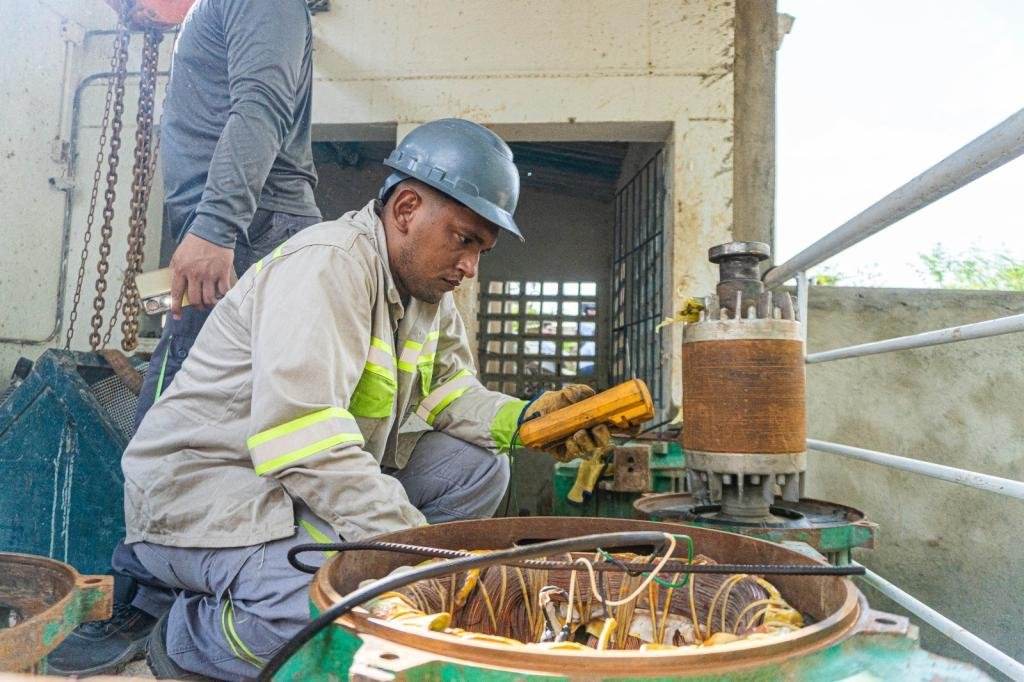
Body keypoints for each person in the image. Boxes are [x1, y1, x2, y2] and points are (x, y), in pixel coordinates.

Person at [47, 0, 321, 675]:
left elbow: (259, 106)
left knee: (166, 428)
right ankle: (176, 593)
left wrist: (218, 224)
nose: (128, 11)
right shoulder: (211, 13)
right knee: (193, 428)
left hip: (251, 230)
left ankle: (151, 604)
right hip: (238, 230)